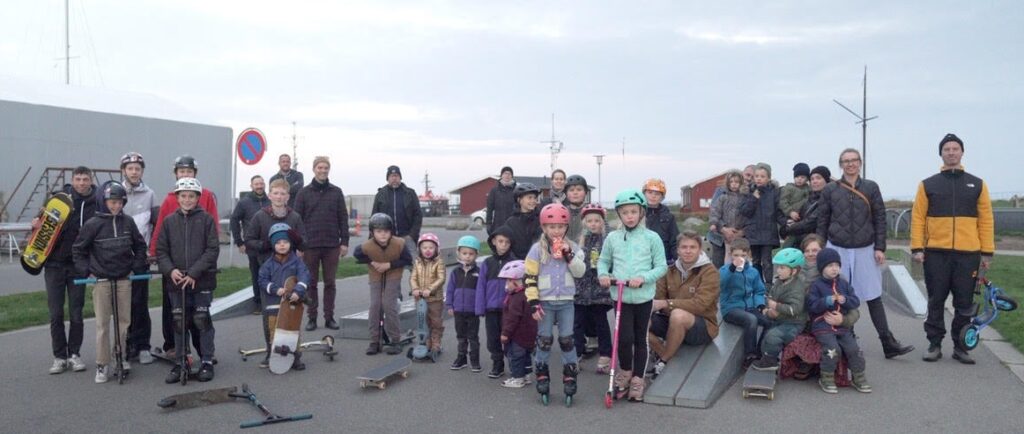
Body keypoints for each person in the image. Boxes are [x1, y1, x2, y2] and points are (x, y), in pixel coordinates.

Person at [817, 148, 914, 359]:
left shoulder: (871, 187)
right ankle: (846, 340)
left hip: (865, 247)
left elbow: (879, 218)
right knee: (837, 294)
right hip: (837, 248)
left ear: (860, 163)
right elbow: (823, 220)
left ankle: (888, 342)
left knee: (873, 295)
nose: (850, 164)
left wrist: (880, 247)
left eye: (854, 160)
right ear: (840, 164)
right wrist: (821, 247)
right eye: (846, 161)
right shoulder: (830, 190)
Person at [912, 133, 995, 364]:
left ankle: (961, 346)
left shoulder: (977, 184)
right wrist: (918, 248)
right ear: (941, 153)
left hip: (968, 254)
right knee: (935, 300)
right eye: (947, 149)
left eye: (955, 149)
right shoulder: (927, 184)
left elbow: (986, 219)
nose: (951, 152)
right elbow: (918, 218)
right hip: (936, 253)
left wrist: (987, 252)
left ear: (961, 152)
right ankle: (934, 344)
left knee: (964, 303)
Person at [72, 182, 148, 383]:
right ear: (104, 202)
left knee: (124, 322)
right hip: (102, 280)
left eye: (119, 202)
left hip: (123, 279)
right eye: (112, 202)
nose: (115, 206)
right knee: (103, 324)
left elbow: (140, 247)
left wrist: (135, 267)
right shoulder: (93, 224)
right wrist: (87, 271)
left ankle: (120, 358)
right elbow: (78, 250)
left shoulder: (128, 222)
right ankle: (102, 363)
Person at [597, 189, 668, 402]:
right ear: (619, 215)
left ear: (641, 213)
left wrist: (644, 277)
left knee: (640, 338)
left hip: (643, 296)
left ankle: (638, 378)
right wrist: (603, 274)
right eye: (625, 212)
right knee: (623, 338)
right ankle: (626, 371)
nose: (629, 216)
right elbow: (603, 260)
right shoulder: (613, 237)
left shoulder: (651, 238)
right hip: (620, 295)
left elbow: (662, 266)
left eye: (633, 212)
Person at [150, 155, 219, 359]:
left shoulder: (205, 219)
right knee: (179, 321)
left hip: (201, 278)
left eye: (191, 196)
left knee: (201, 319)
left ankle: (206, 358)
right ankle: (181, 360)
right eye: (183, 196)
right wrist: (168, 269)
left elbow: (212, 248)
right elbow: (161, 247)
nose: (187, 200)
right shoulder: (170, 219)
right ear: (177, 197)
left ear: (198, 197)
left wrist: (195, 272)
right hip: (177, 278)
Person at [35, 166, 96, 375]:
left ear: (90, 180)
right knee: (56, 313)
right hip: (53, 265)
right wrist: (37, 222)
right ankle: (59, 357)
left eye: (85, 179)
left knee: (77, 313)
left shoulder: (96, 204)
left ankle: (74, 354)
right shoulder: (58, 200)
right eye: (78, 179)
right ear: (72, 180)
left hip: (78, 266)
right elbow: (41, 222)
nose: (81, 183)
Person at [525, 203, 586, 402]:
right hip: (545, 302)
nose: (556, 230)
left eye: (560, 226)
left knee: (567, 341)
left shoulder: (574, 247)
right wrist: (533, 302)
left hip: (567, 302)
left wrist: (569, 255)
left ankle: (570, 376)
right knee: (544, 341)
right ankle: (542, 374)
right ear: (544, 228)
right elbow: (530, 276)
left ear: (566, 227)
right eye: (552, 227)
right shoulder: (536, 250)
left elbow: (580, 272)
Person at [649, 231, 720, 377]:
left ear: (700, 249)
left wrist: (667, 304)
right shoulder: (668, 271)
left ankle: (664, 361)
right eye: (684, 247)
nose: (688, 251)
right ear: (678, 250)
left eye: (692, 247)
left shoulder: (710, 272)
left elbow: (700, 305)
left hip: (702, 327)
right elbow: (658, 298)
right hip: (672, 321)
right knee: (637, 321)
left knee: (678, 315)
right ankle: (665, 353)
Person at [294, 156, 350, 332]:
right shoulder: (303, 193)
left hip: (332, 244)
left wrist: (344, 242)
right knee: (310, 283)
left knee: (330, 283)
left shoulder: (336, 192)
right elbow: (297, 220)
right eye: (320, 167)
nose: (323, 170)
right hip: (310, 245)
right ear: (314, 169)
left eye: (326, 167)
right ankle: (311, 317)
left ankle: (329, 317)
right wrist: (298, 245)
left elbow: (343, 218)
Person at [806, 247, 871, 393]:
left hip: (842, 327)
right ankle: (827, 377)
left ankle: (858, 376)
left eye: (836, 265)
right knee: (832, 349)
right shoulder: (816, 286)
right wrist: (826, 301)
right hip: (822, 326)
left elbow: (855, 302)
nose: (834, 269)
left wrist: (845, 300)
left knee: (854, 349)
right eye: (830, 266)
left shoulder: (844, 284)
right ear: (822, 268)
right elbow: (812, 306)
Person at [353, 213, 412, 355]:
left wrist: (389, 265)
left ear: (391, 231)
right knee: (375, 306)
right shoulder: (367, 245)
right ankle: (374, 340)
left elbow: (407, 259)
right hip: (375, 274)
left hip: (393, 273)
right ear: (372, 232)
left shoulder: (399, 243)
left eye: (386, 231)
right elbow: (357, 254)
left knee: (388, 304)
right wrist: (372, 262)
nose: (383, 235)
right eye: (379, 232)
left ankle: (395, 339)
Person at [118, 152, 157, 366]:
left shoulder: (150, 194)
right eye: (130, 168)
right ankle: (126, 345)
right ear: (124, 170)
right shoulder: (115, 192)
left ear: (142, 171)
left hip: (141, 258)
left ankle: (143, 345)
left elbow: (155, 224)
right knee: (123, 304)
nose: (134, 172)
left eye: (138, 168)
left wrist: (151, 251)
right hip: (119, 259)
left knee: (140, 303)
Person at [256, 223, 311, 370]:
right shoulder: (268, 265)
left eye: (285, 242)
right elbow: (261, 280)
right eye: (278, 243)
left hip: (292, 304)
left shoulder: (297, 262)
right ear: (273, 245)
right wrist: (274, 289)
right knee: (275, 331)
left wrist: (298, 291)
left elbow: (305, 276)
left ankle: (295, 356)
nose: (282, 245)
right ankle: (274, 354)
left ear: (290, 244)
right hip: (273, 304)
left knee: (292, 330)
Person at [751, 248, 807, 371]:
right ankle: (761, 354)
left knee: (773, 336)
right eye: (778, 267)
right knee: (764, 327)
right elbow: (771, 296)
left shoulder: (797, 288)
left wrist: (776, 306)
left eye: (782, 268)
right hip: (781, 318)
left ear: (794, 270)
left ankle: (770, 361)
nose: (778, 270)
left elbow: (795, 309)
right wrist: (767, 309)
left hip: (794, 323)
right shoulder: (780, 281)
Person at [573, 204, 613, 374]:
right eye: (590, 221)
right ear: (585, 223)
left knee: (601, 323)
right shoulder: (580, 242)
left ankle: (605, 354)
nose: (593, 224)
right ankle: (575, 354)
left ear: (602, 222)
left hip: (599, 290)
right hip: (581, 289)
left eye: (597, 221)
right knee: (577, 324)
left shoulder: (607, 240)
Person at [719, 238, 769, 366]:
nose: (739, 258)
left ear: (748, 255)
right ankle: (749, 355)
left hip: (749, 306)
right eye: (736, 255)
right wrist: (732, 268)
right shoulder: (725, 270)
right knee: (751, 320)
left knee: (768, 322)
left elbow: (759, 290)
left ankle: (761, 351)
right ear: (730, 255)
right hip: (731, 308)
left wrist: (760, 304)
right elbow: (721, 284)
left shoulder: (753, 272)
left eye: (743, 255)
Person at [476, 226, 518, 378]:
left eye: (507, 242)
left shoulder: (515, 262)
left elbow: (520, 287)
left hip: (509, 309)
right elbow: (481, 286)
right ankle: (497, 364)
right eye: (500, 241)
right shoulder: (487, 263)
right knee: (493, 339)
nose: (503, 245)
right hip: (491, 308)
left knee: (509, 337)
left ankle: (514, 364)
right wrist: (480, 307)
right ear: (494, 241)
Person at [231, 175, 271, 313]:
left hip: (270, 245)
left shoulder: (271, 200)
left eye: (261, 183)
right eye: (256, 184)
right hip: (252, 245)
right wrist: (239, 242)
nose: (259, 186)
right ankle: (258, 303)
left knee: (271, 274)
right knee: (256, 274)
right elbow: (234, 220)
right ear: (251, 186)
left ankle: (271, 301)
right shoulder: (244, 203)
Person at [740, 163, 785, 286]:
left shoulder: (774, 193)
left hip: (768, 232)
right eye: (757, 176)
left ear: (768, 178)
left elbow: (778, 211)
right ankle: (758, 283)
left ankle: (769, 284)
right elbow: (745, 211)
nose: (759, 178)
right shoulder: (749, 191)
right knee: (756, 260)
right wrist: (754, 198)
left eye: (762, 176)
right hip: (753, 232)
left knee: (767, 260)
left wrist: (786, 225)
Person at [244, 179, 305, 265]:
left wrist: (297, 239)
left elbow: (304, 244)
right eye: (275, 193)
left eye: (282, 194)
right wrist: (264, 245)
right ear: (269, 196)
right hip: (265, 265)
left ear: (287, 197)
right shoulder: (260, 216)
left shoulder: (295, 217)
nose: (279, 197)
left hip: (289, 265)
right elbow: (249, 240)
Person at [446, 235, 483, 370]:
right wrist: (449, 305)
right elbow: (450, 289)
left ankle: (475, 361)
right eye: (464, 253)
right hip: (458, 311)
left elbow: (481, 292)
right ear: (459, 253)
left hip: (473, 311)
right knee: (461, 336)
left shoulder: (479, 272)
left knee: (473, 337)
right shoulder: (455, 272)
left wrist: (481, 307)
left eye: (471, 254)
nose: (467, 256)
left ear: (476, 255)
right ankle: (461, 359)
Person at [499, 260, 537, 388]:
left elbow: (512, 318)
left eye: (509, 281)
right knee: (525, 355)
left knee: (515, 356)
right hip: (528, 333)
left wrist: (505, 333)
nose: (507, 284)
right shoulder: (527, 294)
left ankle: (517, 378)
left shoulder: (516, 298)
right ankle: (526, 375)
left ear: (517, 281)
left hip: (517, 334)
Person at [371, 165, 423, 259]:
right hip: (387, 238)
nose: (394, 178)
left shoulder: (410, 193)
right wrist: (373, 237)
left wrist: (412, 234)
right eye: (391, 176)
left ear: (400, 178)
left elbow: (418, 215)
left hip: (407, 237)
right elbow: (374, 217)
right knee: (391, 267)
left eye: (396, 176)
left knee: (415, 265)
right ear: (388, 178)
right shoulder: (380, 194)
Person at [410, 233, 446, 359]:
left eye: (431, 247)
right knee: (422, 322)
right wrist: (415, 288)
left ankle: (436, 343)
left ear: (436, 249)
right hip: (420, 298)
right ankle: (425, 342)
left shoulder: (439, 262)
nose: (428, 250)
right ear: (420, 249)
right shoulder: (417, 262)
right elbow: (413, 277)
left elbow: (441, 278)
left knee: (435, 321)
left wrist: (430, 289)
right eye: (424, 248)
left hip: (435, 298)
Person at [780, 166, 830, 247]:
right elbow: (800, 218)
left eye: (818, 178)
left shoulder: (827, 199)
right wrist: (787, 223)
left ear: (826, 180)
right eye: (812, 179)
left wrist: (789, 228)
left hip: (818, 242)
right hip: (805, 240)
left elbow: (810, 222)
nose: (814, 181)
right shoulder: (809, 199)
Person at [708, 170, 747, 268]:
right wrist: (713, 223)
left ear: (741, 183)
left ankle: (738, 273)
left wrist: (742, 231)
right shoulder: (723, 197)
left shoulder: (744, 198)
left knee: (739, 256)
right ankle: (725, 274)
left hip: (738, 233)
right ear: (728, 183)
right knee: (727, 255)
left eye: (737, 182)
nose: (734, 185)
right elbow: (715, 211)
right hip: (723, 234)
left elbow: (747, 215)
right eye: (732, 182)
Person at [642, 178, 679, 265]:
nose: (653, 196)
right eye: (650, 192)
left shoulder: (669, 217)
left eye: (657, 194)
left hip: (663, 261)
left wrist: (679, 262)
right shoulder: (637, 215)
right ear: (644, 194)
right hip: (641, 261)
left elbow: (675, 241)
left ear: (662, 197)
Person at [504, 182, 542, 260]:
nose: (533, 201)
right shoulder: (511, 222)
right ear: (519, 200)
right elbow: (507, 246)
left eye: (535, 198)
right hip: (518, 264)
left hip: (537, 262)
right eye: (529, 197)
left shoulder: (540, 220)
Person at [779, 162, 812, 245]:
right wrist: (790, 212)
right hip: (790, 218)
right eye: (797, 177)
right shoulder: (788, 188)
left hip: (803, 219)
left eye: (802, 177)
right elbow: (783, 201)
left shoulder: (809, 189)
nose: (799, 179)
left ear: (807, 179)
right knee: (790, 241)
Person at [485, 166, 517, 235]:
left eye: (509, 174)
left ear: (512, 176)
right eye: (505, 173)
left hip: (513, 225)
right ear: (501, 175)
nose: (507, 176)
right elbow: (489, 208)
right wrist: (488, 223)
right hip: (498, 224)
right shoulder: (494, 191)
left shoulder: (516, 190)